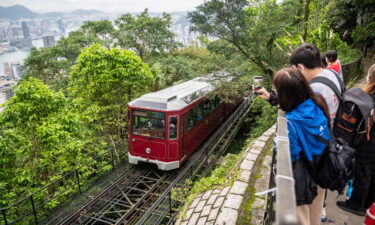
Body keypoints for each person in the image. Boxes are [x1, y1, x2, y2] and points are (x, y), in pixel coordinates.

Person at [273, 68, 331, 225]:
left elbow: (290, 155)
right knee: (316, 212)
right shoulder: (317, 101)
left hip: (305, 177)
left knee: (302, 218)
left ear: (284, 93)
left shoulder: (291, 121)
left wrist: (277, 143)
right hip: (322, 167)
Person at [335, 64, 375, 216]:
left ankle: (356, 204)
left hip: (369, 141)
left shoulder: (371, 96)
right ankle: (368, 203)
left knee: (363, 172)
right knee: (372, 174)